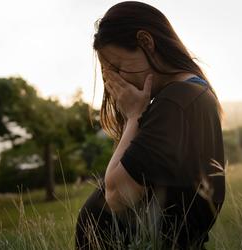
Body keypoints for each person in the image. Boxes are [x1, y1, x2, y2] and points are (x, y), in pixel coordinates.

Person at [75, 1, 225, 249]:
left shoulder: (176, 102)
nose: (117, 80)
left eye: (119, 67)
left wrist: (134, 116)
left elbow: (116, 195)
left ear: (146, 42)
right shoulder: (191, 94)